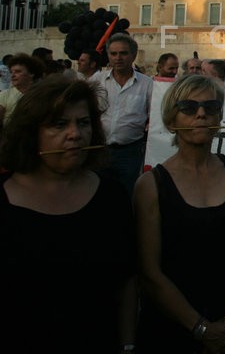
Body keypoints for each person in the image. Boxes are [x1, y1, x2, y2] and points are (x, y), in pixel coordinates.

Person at [0, 76, 137, 352]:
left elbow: (126, 280)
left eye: (83, 123)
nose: (75, 134)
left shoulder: (111, 196)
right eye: (59, 124)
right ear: (30, 131)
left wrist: (128, 345)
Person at [133, 74, 225, 353]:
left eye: (210, 107)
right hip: (172, 327)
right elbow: (149, 272)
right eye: (188, 108)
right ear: (171, 119)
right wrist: (201, 328)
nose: (201, 113)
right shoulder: (151, 185)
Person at [94, 33, 153, 198]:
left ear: (133, 55)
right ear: (108, 56)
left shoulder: (147, 84)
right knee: (98, 194)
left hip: (130, 152)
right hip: (99, 150)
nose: (118, 58)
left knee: (127, 194)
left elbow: (153, 116)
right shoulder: (96, 81)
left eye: (123, 53)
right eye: (113, 54)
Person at [0, 53, 43, 129]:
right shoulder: (4, 95)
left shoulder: (43, 94)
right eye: (11, 72)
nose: (13, 75)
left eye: (18, 71)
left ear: (31, 73)